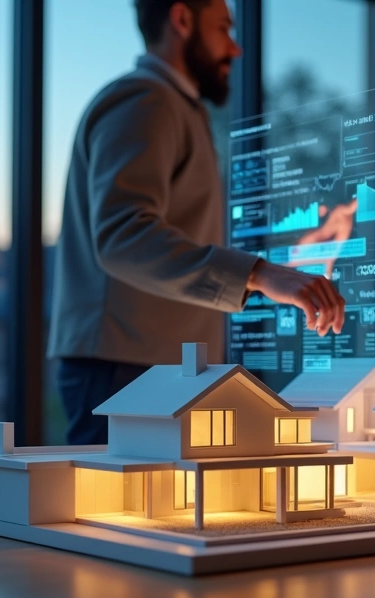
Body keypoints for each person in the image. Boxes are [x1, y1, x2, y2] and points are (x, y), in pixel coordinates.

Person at [49, 0, 351, 445]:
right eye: (224, 28)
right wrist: (260, 275)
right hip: (125, 367)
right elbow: (122, 236)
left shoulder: (172, 106)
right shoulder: (145, 101)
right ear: (182, 19)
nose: (235, 48)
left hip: (144, 364)